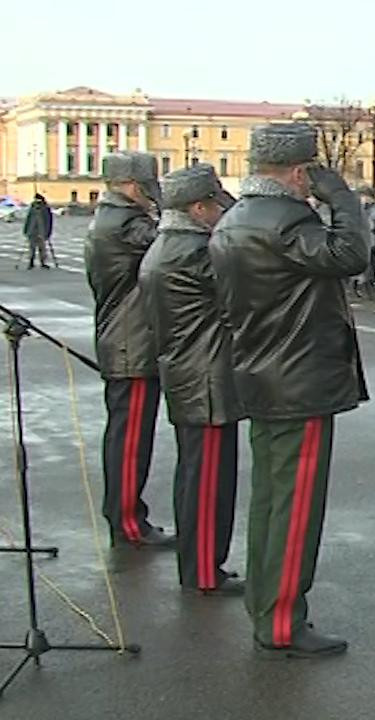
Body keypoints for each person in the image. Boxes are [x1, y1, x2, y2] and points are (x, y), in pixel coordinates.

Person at [210, 124, 369, 658]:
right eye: (311, 175)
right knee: (295, 505)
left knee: (271, 500)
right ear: (300, 172)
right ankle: (281, 622)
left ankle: (265, 604)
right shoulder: (286, 221)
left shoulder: (233, 219)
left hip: (261, 371)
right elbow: (351, 253)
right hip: (298, 377)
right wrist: (342, 197)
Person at [137, 165, 243, 595]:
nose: (222, 211)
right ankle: (202, 569)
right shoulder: (195, 252)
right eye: (216, 204)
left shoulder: (167, 246)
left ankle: (201, 564)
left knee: (197, 474)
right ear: (199, 208)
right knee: (207, 483)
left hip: (190, 371)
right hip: (207, 377)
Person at [84, 151, 174, 549]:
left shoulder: (110, 219)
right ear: (136, 187)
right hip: (132, 343)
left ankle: (126, 514)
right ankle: (127, 521)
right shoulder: (127, 225)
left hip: (125, 339)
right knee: (131, 440)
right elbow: (173, 247)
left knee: (128, 436)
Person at [22, 193, 53, 269]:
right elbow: (28, 220)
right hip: (32, 231)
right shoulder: (32, 209)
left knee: (42, 248)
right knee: (31, 247)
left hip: (42, 231)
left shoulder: (45, 209)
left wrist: (48, 232)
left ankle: (43, 262)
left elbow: (49, 221)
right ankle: (31, 262)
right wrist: (26, 230)